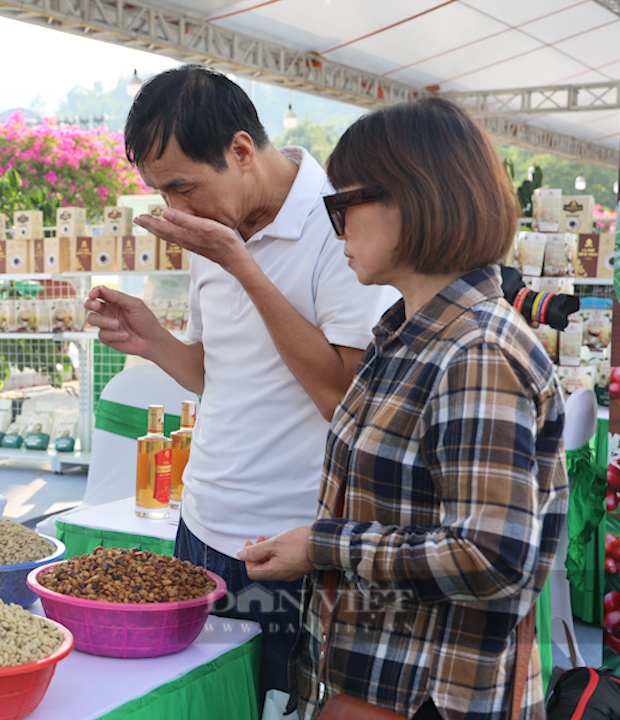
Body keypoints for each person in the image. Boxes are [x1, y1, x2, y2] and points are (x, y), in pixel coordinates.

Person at [237, 97, 567, 720]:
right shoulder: (407, 334)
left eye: (343, 206)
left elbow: (491, 556)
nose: (337, 231)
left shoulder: (476, 350)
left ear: (414, 197)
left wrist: (325, 546)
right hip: (376, 680)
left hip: (423, 695)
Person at [84, 64, 394, 709]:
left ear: (241, 151)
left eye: (182, 187)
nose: (176, 211)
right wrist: (152, 341)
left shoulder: (341, 226)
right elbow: (218, 375)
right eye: (161, 194)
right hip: (200, 525)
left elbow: (345, 400)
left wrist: (240, 264)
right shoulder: (213, 237)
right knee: (210, 701)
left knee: (283, 702)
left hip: (294, 544)